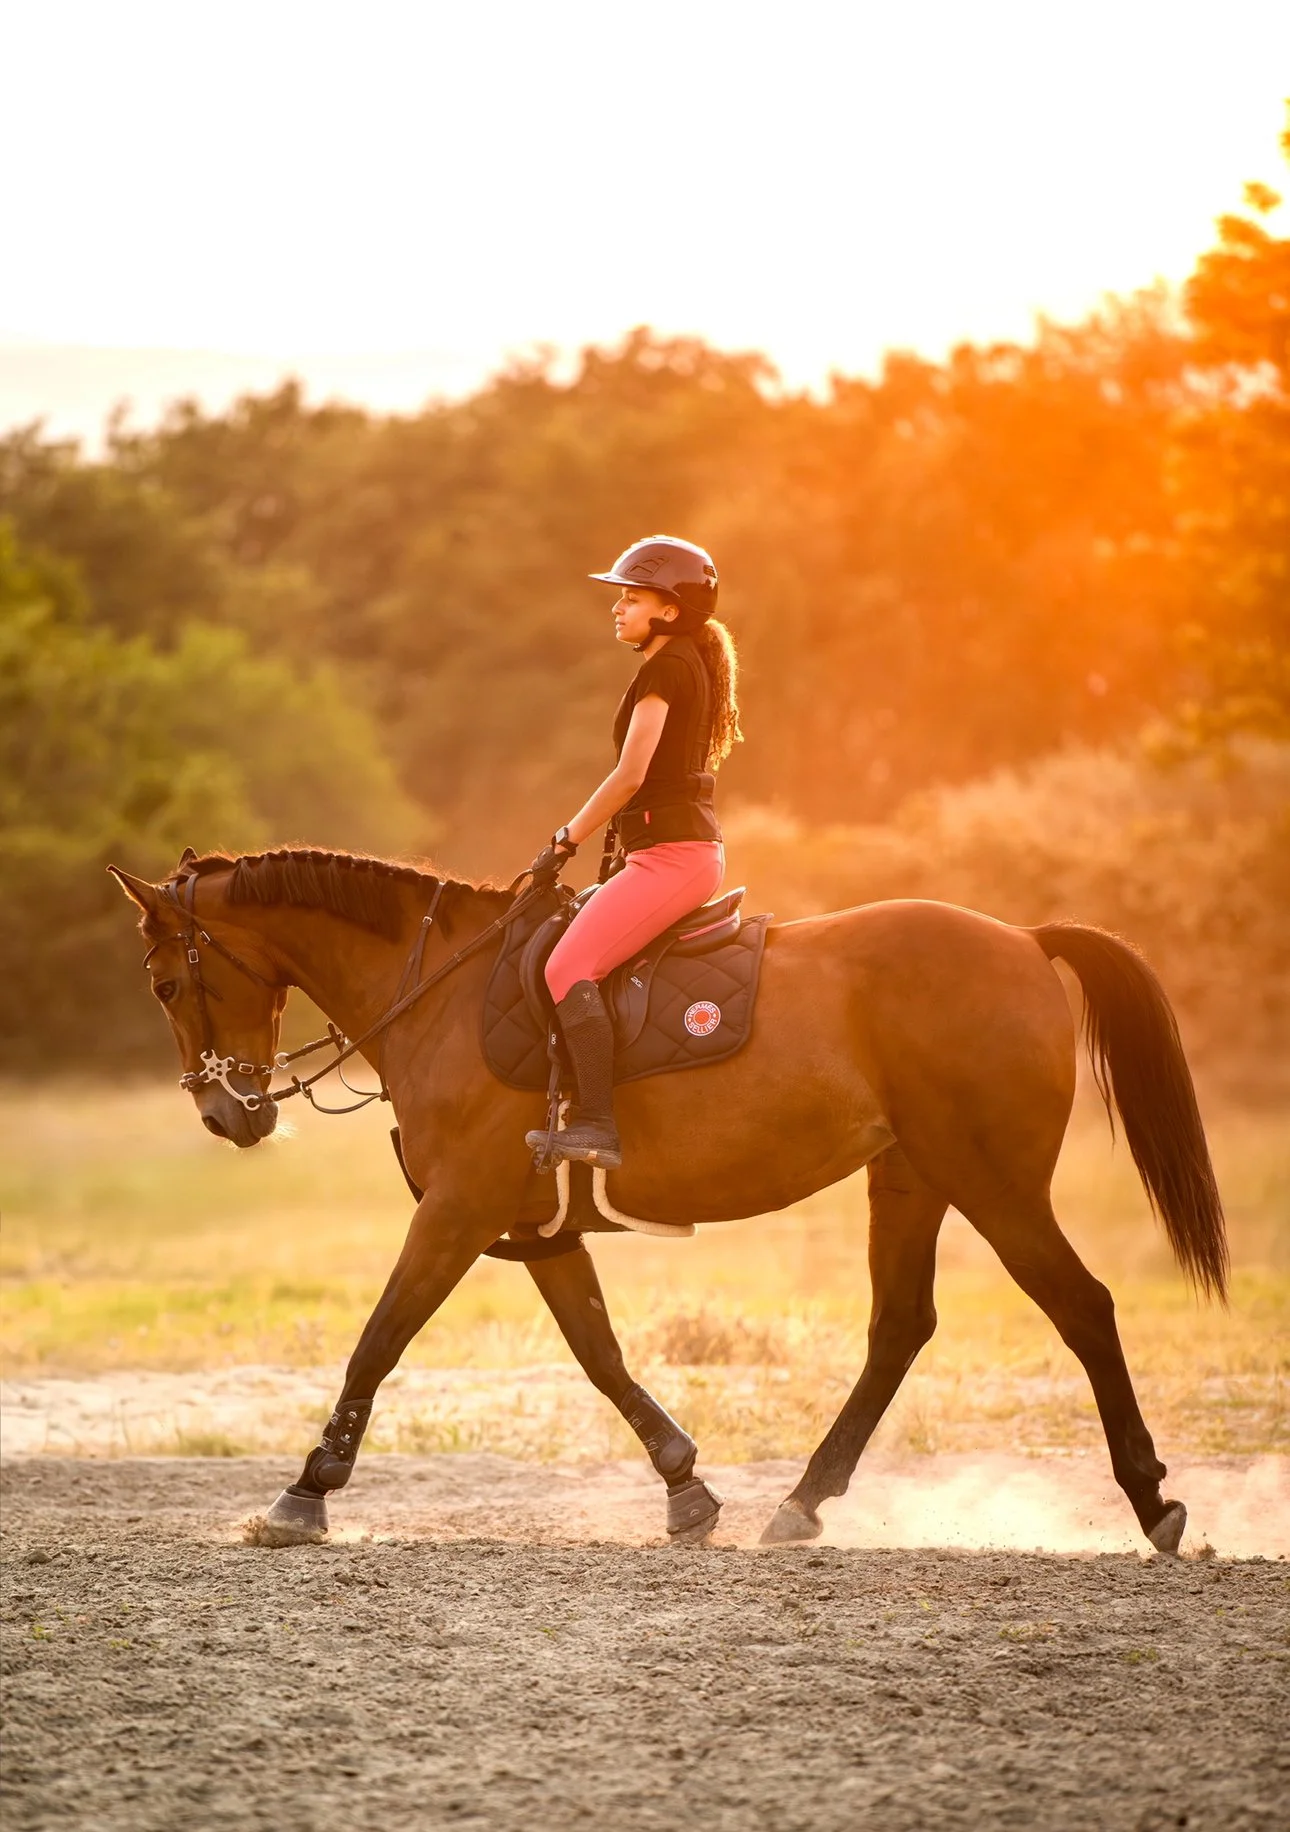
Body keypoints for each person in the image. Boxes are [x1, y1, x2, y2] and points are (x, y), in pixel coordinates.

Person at [523, 535, 743, 1170]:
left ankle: (596, 1124)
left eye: (632, 596)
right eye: (619, 597)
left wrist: (563, 842)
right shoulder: (680, 662)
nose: (617, 607)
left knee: (566, 969)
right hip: (668, 853)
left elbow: (629, 775)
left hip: (673, 858)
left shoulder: (666, 668)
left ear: (670, 610)